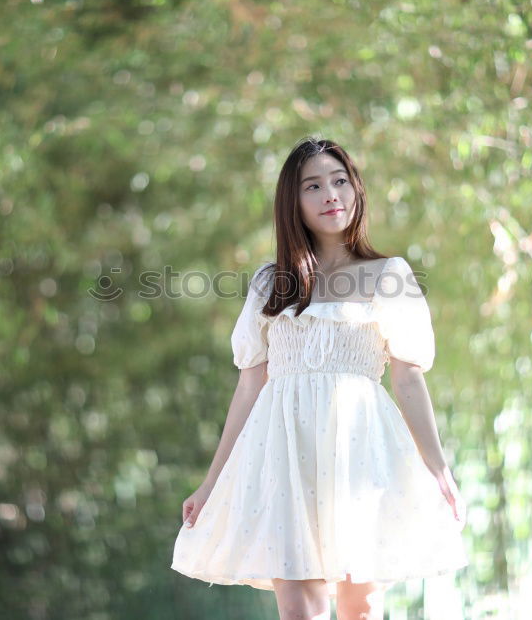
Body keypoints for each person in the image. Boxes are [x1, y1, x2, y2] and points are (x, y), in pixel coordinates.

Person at [171, 137, 469, 620]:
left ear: (356, 190)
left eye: (339, 181)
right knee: (300, 613)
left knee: (361, 610)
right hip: (284, 453)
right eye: (313, 186)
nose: (330, 194)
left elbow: (408, 378)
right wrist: (211, 483)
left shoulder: (388, 274)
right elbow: (250, 386)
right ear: (293, 202)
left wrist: (437, 468)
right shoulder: (271, 283)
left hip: (359, 453)